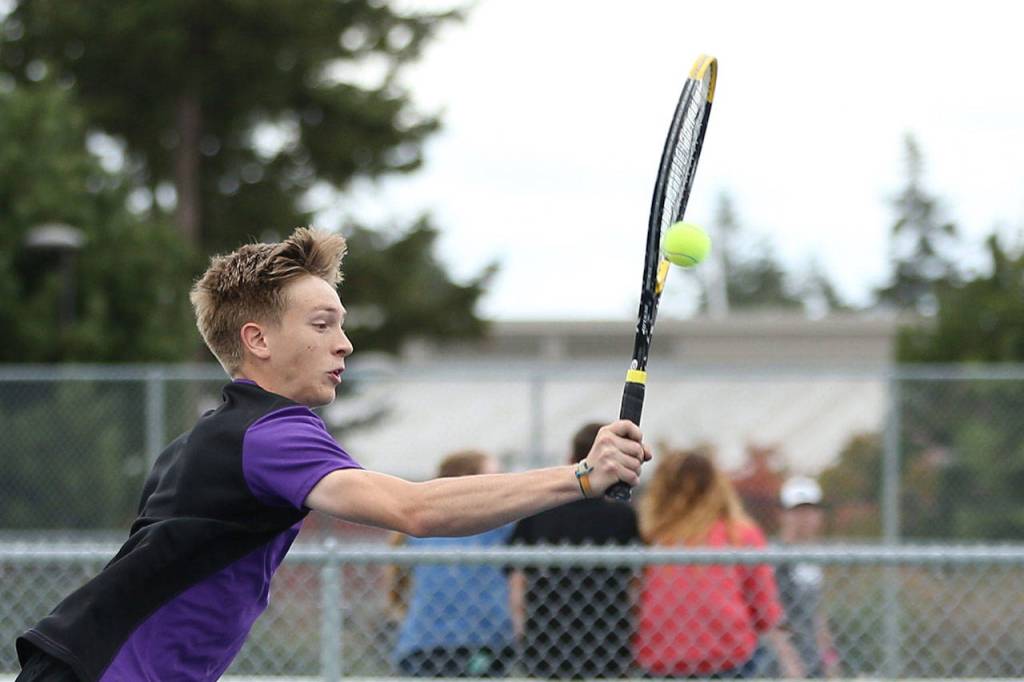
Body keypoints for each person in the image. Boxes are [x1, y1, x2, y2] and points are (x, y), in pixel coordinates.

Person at [14, 227, 651, 682]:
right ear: (257, 340)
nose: (344, 343)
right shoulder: (271, 433)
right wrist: (582, 477)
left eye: (341, 323)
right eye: (322, 324)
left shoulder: (210, 439)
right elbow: (415, 509)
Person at [633, 448, 803, 679]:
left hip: (660, 661)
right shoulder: (739, 534)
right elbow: (764, 608)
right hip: (727, 659)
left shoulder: (650, 536)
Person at [507, 422, 641, 679]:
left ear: (571, 459)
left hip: (546, 637)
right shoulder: (621, 516)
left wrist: (520, 627)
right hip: (607, 637)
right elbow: (634, 581)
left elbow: (517, 578)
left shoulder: (539, 511)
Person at [387, 450, 517, 677]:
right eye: (492, 477)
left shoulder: (498, 524)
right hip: (441, 645)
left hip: (472, 644)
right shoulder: (492, 525)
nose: (500, 485)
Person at [775, 476, 841, 678]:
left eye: (810, 510)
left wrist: (830, 659)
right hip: (779, 664)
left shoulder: (815, 559)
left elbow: (817, 616)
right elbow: (773, 619)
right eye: (797, 511)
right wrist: (789, 662)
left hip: (812, 658)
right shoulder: (776, 559)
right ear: (783, 515)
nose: (804, 517)